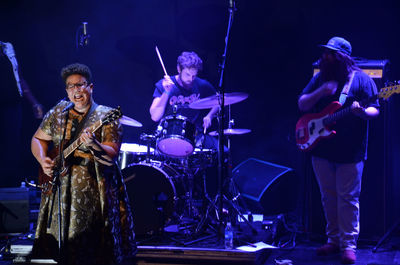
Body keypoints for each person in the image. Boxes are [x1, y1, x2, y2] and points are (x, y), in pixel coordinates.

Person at [30, 63, 136, 264]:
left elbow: (111, 155)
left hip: (94, 195)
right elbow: (37, 139)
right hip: (60, 193)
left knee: (93, 251)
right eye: (70, 86)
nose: (76, 91)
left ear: (91, 87)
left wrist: (94, 144)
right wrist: (42, 159)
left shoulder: (107, 115)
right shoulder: (58, 112)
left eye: (80, 85)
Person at [298, 37, 379, 264]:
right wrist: (321, 91)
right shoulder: (320, 78)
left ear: (342, 58)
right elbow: (302, 104)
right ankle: (333, 240)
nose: (325, 58)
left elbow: (375, 109)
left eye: (330, 54)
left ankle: (348, 245)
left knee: (348, 200)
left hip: (350, 151)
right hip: (321, 149)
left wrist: (361, 112)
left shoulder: (362, 80)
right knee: (328, 197)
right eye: (324, 53)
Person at [150, 51, 219, 150]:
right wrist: (166, 92)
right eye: (187, 74)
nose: (191, 79)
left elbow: (219, 100)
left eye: (194, 75)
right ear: (179, 69)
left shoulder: (202, 85)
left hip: (194, 137)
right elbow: (155, 117)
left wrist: (210, 115)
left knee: (223, 152)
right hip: (167, 137)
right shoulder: (165, 84)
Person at [0, 41, 43, 188]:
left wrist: (34, 102)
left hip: (12, 105)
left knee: (12, 147)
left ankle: (11, 188)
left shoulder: (7, 48)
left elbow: (18, 77)